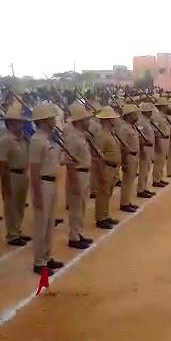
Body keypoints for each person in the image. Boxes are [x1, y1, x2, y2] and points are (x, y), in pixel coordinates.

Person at [29, 103, 65, 276]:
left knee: (50, 224)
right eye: (51, 118)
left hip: (51, 183)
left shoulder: (48, 138)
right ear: (43, 121)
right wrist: (36, 195)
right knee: (41, 225)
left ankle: (47, 257)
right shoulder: (37, 140)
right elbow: (34, 170)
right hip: (43, 184)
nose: (53, 120)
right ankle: (39, 262)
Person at [63, 102, 94, 250]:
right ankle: (74, 237)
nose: (89, 121)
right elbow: (69, 161)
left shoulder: (80, 135)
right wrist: (74, 182)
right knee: (76, 207)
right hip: (78, 174)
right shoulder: (72, 138)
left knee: (81, 206)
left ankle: (79, 233)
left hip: (84, 173)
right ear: (81, 121)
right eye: (87, 119)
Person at [0, 108, 30, 246]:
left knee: (20, 205)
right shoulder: (6, 140)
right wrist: (5, 185)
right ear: (10, 124)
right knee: (11, 206)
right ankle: (12, 234)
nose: (21, 125)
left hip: (23, 174)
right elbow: (3, 164)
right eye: (19, 123)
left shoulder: (22, 139)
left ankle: (18, 230)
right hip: (12, 175)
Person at [94, 106, 121, 229]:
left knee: (107, 193)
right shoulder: (101, 136)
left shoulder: (109, 134)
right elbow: (97, 157)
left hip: (113, 168)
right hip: (106, 168)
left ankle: (105, 215)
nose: (115, 120)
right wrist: (101, 174)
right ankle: (100, 218)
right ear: (108, 120)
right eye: (113, 118)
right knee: (103, 193)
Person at [118, 104, 141, 212]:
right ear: (127, 116)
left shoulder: (131, 126)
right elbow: (122, 146)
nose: (136, 116)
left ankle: (127, 201)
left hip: (134, 155)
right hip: (128, 156)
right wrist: (124, 162)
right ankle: (124, 203)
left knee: (130, 180)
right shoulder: (124, 128)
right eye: (134, 114)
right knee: (127, 181)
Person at [137, 102, 156, 198]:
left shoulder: (146, 120)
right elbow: (139, 136)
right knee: (143, 169)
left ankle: (144, 187)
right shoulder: (141, 122)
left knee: (147, 168)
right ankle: (140, 189)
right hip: (144, 147)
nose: (151, 113)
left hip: (149, 147)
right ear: (146, 112)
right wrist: (142, 149)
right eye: (150, 111)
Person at [152, 98, 171, 188]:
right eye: (166, 105)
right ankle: (156, 179)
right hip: (160, 139)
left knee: (162, 160)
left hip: (166, 139)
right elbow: (155, 131)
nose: (167, 107)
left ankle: (159, 177)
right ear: (162, 106)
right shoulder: (156, 116)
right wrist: (158, 143)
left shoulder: (163, 115)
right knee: (158, 160)